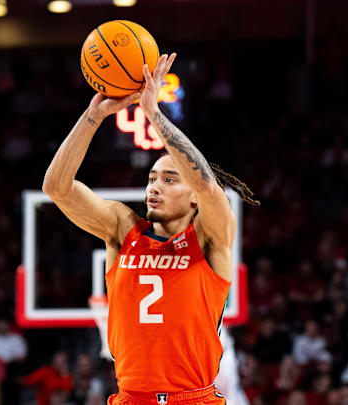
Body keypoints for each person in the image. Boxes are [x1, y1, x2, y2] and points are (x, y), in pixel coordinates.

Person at [43, 53, 259, 404]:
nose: (153, 187)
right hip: (130, 398)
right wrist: (93, 115)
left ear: (193, 199)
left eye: (170, 179)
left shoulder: (209, 240)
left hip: (194, 398)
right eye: (151, 178)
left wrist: (154, 114)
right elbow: (56, 188)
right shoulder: (122, 229)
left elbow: (207, 186)